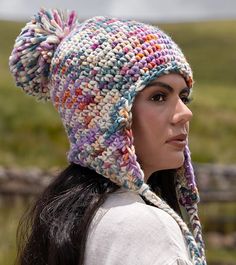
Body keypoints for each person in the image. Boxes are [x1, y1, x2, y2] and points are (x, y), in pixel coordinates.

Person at [9, 8, 207, 265]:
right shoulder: (144, 229)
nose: (185, 113)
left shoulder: (72, 220)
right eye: (158, 96)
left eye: (183, 97)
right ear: (106, 118)